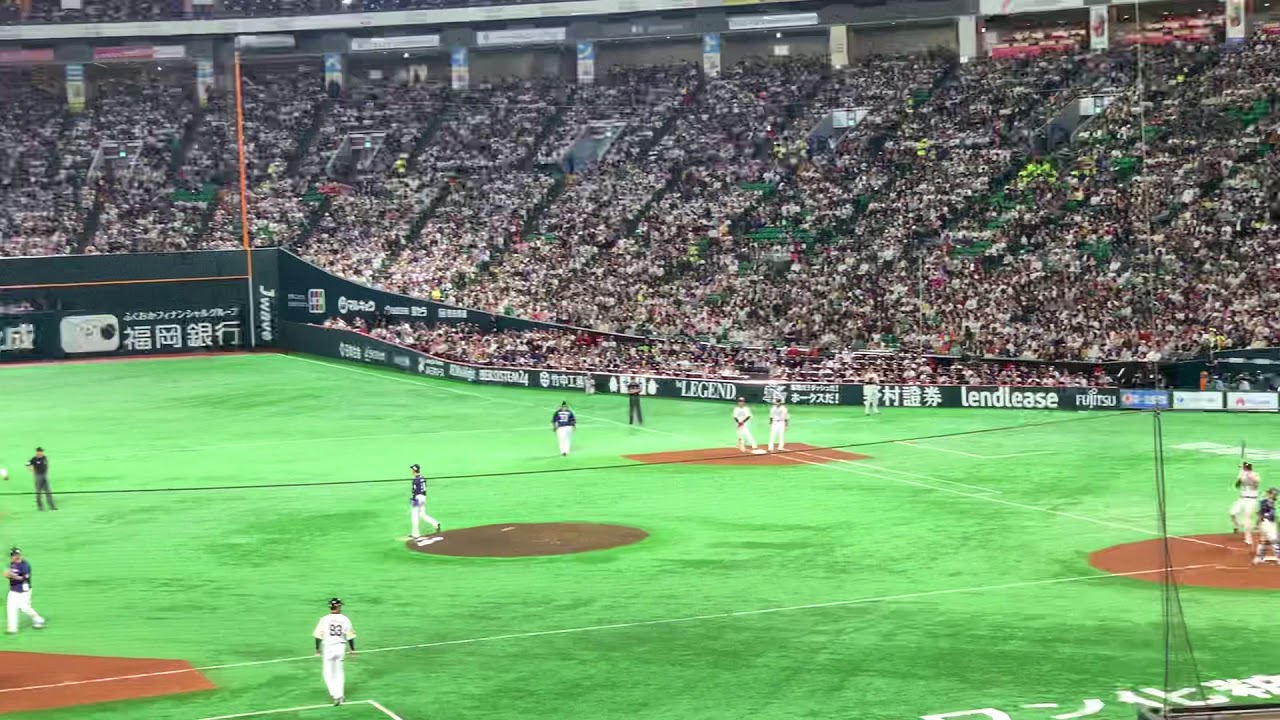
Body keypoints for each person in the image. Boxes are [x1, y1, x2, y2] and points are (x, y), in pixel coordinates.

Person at [313, 597, 356, 705]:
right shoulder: (345, 619)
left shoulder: (324, 619)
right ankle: (340, 695)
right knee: (339, 673)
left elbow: (318, 636)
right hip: (340, 648)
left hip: (328, 648)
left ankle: (334, 694)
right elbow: (350, 636)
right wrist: (352, 649)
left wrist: (317, 649)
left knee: (328, 672)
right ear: (338, 607)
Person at [4, 547, 45, 634]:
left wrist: (12, 576)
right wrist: (7, 575)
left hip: (24, 591)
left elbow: (24, 579)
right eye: (12, 555)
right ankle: (12, 628)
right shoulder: (12, 564)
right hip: (13, 590)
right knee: (11, 608)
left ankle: (38, 619)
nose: (12, 557)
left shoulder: (25, 565)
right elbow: (10, 575)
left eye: (14, 555)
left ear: (18, 555)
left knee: (25, 608)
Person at [409, 464, 441, 539]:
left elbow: (415, 491)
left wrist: (412, 499)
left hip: (417, 498)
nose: (411, 470)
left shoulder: (415, 480)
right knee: (422, 514)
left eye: (412, 469)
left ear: (414, 470)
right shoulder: (423, 478)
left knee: (414, 516)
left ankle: (415, 534)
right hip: (423, 497)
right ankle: (435, 523)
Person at [1233, 461, 1261, 545]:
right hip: (1242, 499)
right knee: (1232, 513)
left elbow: (1256, 485)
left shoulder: (1255, 475)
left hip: (1251, 500)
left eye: (1247, 467)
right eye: (1245, 467)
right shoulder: (1241, 474)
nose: (1247, 468)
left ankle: (1248, 539)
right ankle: (1237, 525)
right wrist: (1240, 478)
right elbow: (1237, 485)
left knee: (1247, 518)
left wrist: (1250, 476)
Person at [1253, 488, 1280, 565]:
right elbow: (1259, 514)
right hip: (1267, 523)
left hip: (1269, 523)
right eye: (1274, 494)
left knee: (1264, 541)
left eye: (1276, 494)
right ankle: (1279, 558)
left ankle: (1259, 558)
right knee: (1274, 540)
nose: (1275, 496)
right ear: (1269, 493)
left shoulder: (1271, 501)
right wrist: (1257, 524)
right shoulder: (1265, 502)